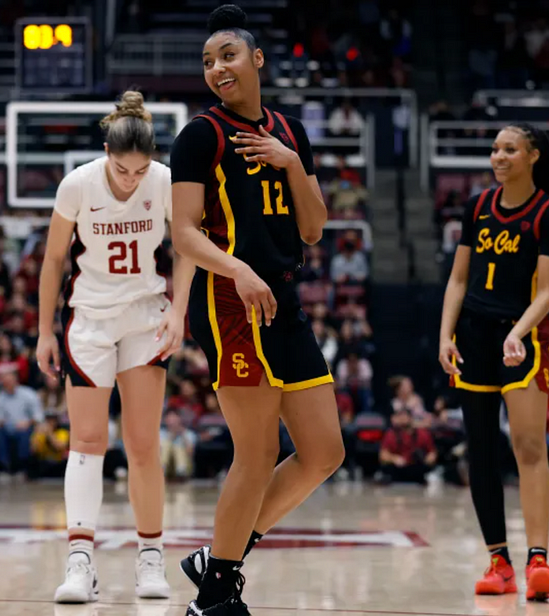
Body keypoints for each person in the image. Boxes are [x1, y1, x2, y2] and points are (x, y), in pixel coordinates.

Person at [170, 6, 345, 614]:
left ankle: (218, 556)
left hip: (283, 294)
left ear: (257, 60)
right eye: (208, 61)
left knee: (325, 452)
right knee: (258, 452)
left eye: (228, 56)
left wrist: (291, 163)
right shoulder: (201, 134)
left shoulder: (292, 132)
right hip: (228, 299)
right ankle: (214, 593)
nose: (217, 68)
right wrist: (237, 268)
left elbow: (316, 227)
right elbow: (184, 233)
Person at [35, 90, 195, 603]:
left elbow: (187, 245)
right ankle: (80, 562)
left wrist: (178, 309)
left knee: (143, 445)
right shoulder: (76, 185)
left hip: (144, 316)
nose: (131, 179)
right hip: (89, 321)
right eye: (123, 170)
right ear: (107, 152)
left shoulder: (166, 181)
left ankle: (151, 558)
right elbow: (53, 260)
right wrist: (42, 330)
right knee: (85, 442)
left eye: (139, 170)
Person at [438, 122, 549, 601]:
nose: (499, 156)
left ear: (533, 156)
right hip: (473, 335)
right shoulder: (478, 206)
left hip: (523, 338)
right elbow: (457, 280)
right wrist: (445, 335)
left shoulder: (548, 215)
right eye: (495, 149)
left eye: (509, 149)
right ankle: (499, 563)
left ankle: (538, 560)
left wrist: (518, 331)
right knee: (481, 453)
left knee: (529, 447)